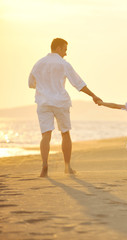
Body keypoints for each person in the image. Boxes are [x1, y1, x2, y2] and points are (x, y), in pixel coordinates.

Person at [28, 38, 102, 177]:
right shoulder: (63, 64)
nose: (66, 53)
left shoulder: (38, 63)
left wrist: (44, 88)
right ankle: (67, 167)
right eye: (65, 49)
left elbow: (31, 83)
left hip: (43, 103)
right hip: (60, 102)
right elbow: (78, 83)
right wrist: (93, 95)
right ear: (58, 48)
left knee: (46, 135)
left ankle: (44, 164)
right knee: (65, 133)